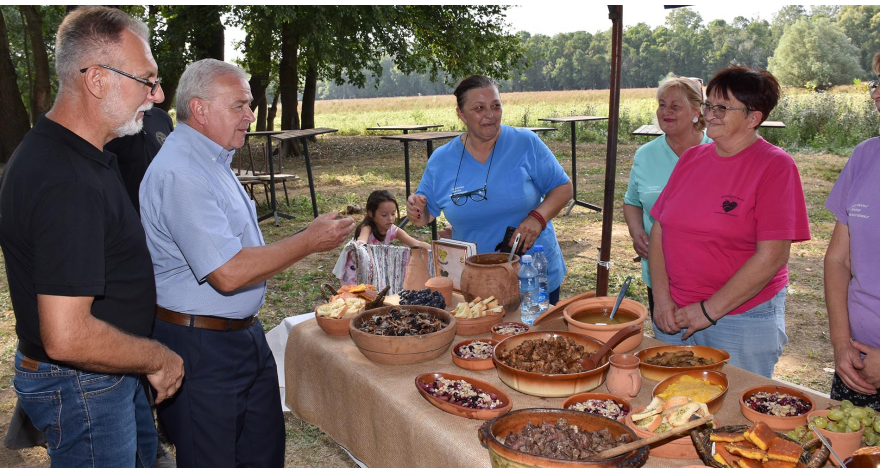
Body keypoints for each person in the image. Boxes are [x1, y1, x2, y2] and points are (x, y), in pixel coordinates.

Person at [139, 58, 355, 468]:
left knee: (262, 455)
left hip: (239, 337)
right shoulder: (182, 172)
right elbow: (229, 273)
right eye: (239, 105)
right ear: (199, 109)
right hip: (200, 347)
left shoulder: (212, 159)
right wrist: (307, 241)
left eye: (249, 105)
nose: (250, 116)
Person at [0, 6, 183, 467]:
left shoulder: (72, 153)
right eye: (147, 80)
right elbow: (67, 335)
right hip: (84, 385)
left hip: (105, 374)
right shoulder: (68, 181)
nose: (158, 96)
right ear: (98, 80)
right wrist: (157, 358)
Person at [648, 66, 811, 377]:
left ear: (753, 118)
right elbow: (659, 228)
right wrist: (662, 297)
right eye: (709, 105)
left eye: (722, 107)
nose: (710, 114)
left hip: (739, 318)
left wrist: (708, 311)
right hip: (675, 313)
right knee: (671, 407)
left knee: (733, 414)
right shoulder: (692, 159)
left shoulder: (775, 166)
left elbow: (773, 256)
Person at [406, 75, 572, 304]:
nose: (490, 115)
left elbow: (563, 187)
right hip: (476, 282)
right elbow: (424, 216)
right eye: (479, 108)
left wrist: (537, 218)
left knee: (533, 338)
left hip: (533, 276)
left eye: (496, 105)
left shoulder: (525, 143)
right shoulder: (442, 160)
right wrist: (417, 210)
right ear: (461, 114)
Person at [623, 77, 712, 320]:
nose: (666, 112)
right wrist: (636, 230)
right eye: (662, 105)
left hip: (708, 275)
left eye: (675, 106)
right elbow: (632, 201)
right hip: (659, 274)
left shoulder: (719, 151)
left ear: (696, 111)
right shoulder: (645, 154)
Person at [823, 53, 880, 408]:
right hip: (856, 361)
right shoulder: (865, 156)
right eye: (877, 81)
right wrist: (842, 343)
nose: (876, 93)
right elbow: (838, 260)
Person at [338, 190, 431, 286]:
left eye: (393, 214)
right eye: (384, 215)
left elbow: (417, 243)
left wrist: (434, 249)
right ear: (371, 213)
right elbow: (362, 239)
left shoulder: (392, 230)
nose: (390, 218)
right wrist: (360, 243)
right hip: (356, 271)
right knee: (357, 296)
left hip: (374, 268)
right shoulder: (367, 227)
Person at [105, 107, 174, 211]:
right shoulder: (111, 121)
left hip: (161, 215)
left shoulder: (161, 117)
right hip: (126, 215)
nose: (159, 96)